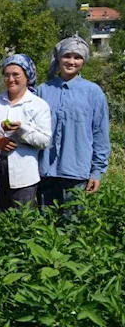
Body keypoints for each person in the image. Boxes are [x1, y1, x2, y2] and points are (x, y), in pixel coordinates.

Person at [37, 36, 110, 206]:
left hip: (77, 173)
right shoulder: (43, 90)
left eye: (77, 57)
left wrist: (96, 171)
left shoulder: (93, 92)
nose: (71, 61)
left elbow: (100, 134)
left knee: (74, 225)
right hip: (45, 172)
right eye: (67, 56)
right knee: (45, 225)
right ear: (59, 58)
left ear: (83, 61)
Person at [0, 55, 51, 211]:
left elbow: (44, 140)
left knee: (22, 219)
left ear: (27, 77)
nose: (11, 79)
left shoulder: (38, 105)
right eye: (7, 75)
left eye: (16, 75)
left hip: (24, 174)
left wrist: (21, 129)